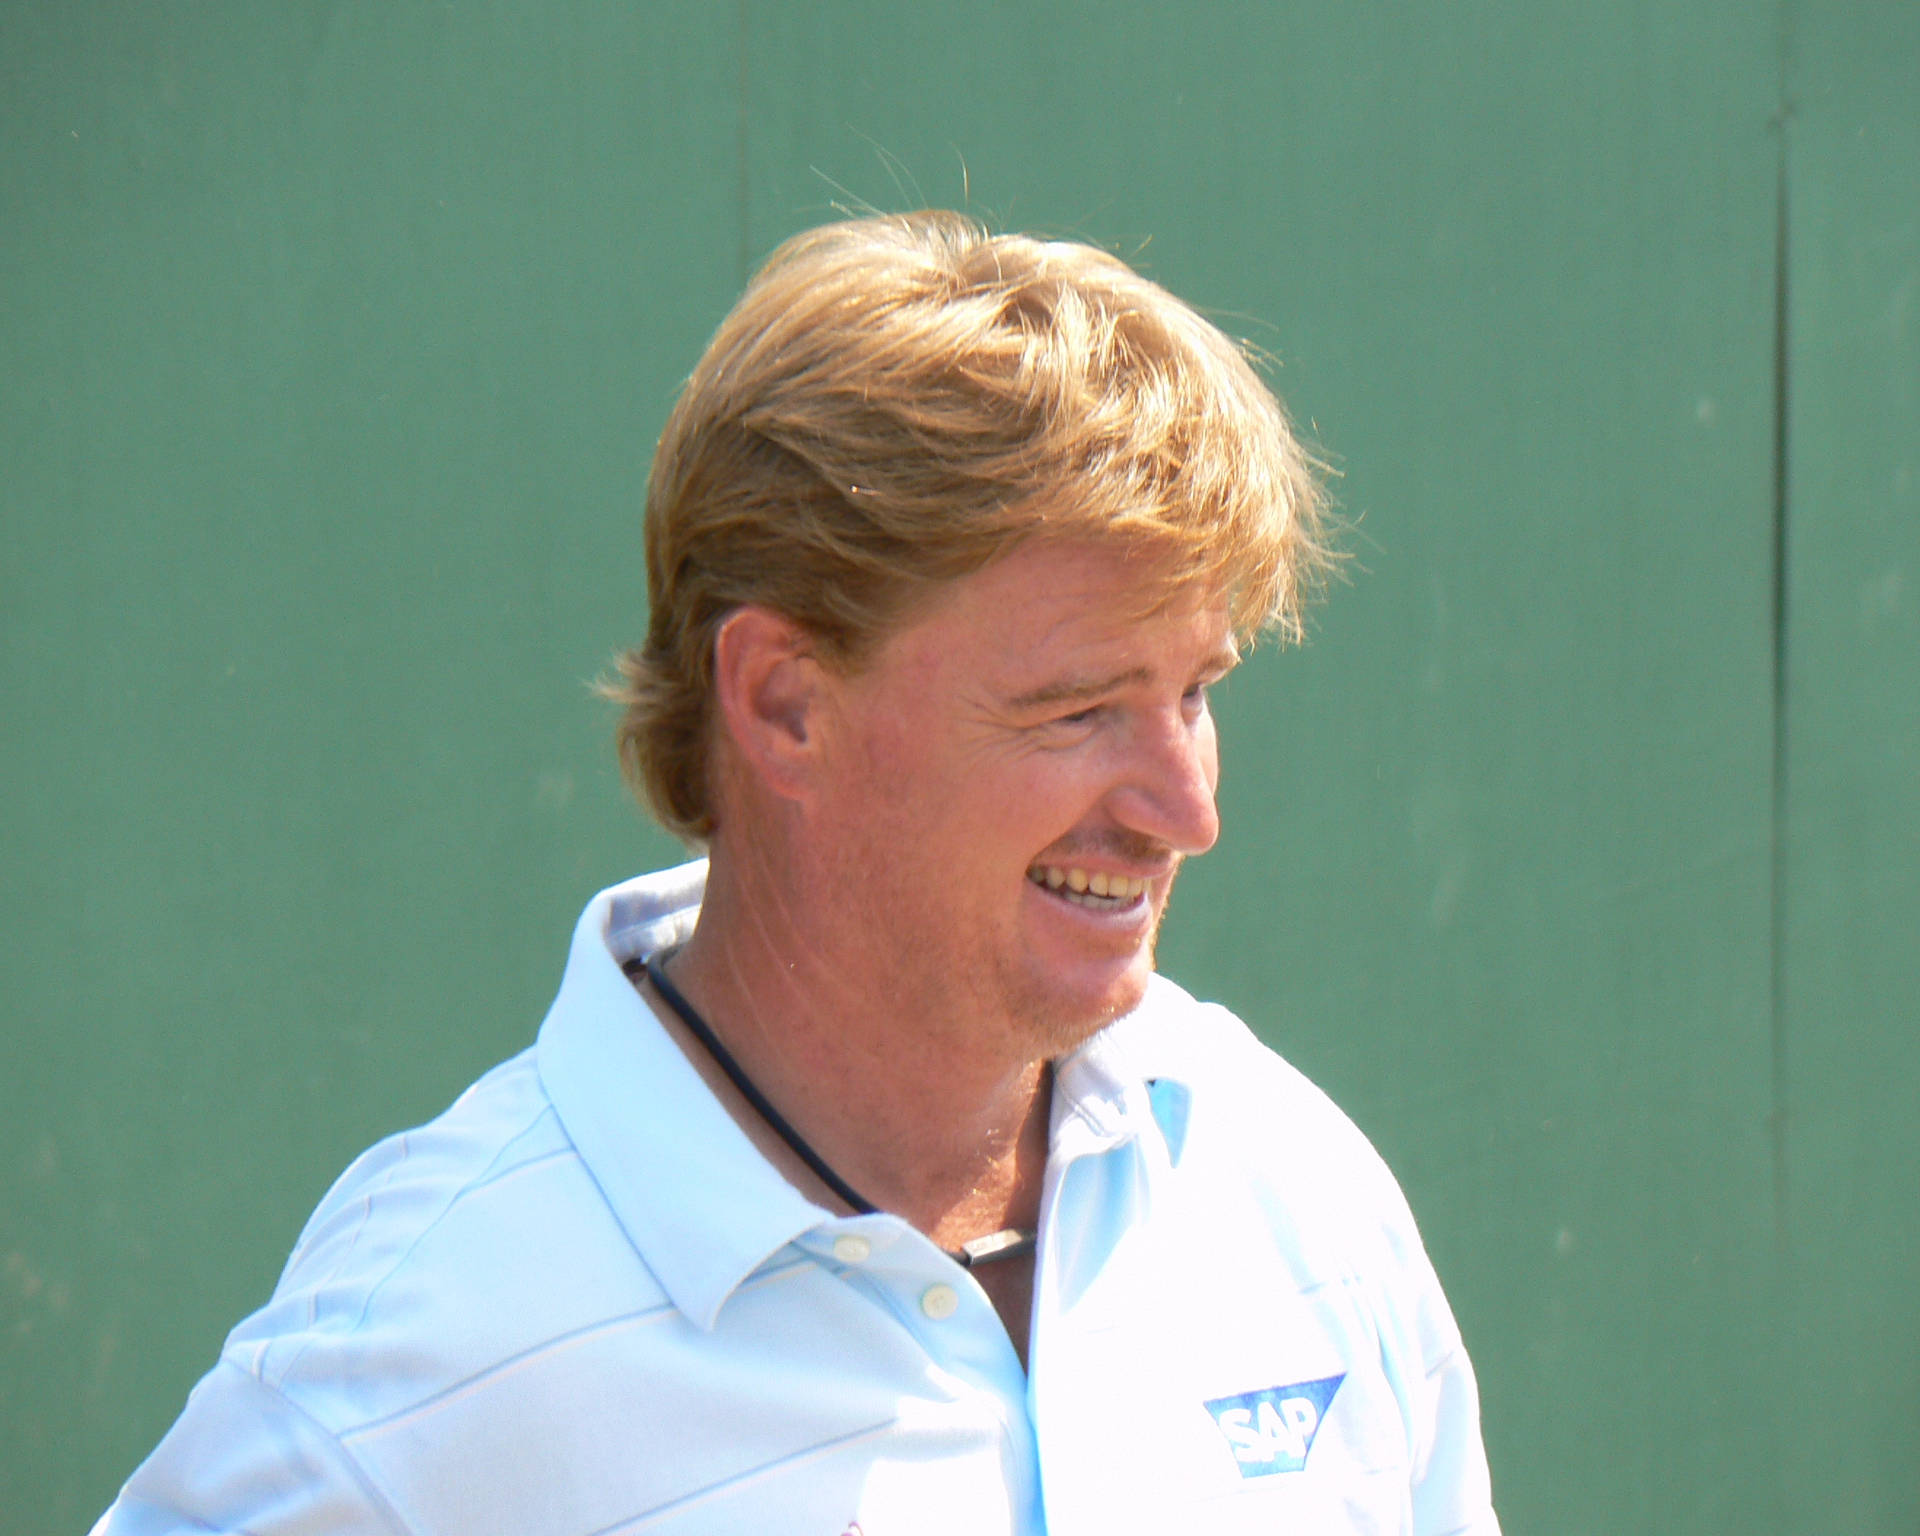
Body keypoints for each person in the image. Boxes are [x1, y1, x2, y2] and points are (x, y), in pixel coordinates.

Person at [95, 212, 1499, 1535]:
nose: (1186, 811)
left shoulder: (1288, 1185)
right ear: (781, 704)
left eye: (1195, 692)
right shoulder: (425, 1354)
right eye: (1079, 709)